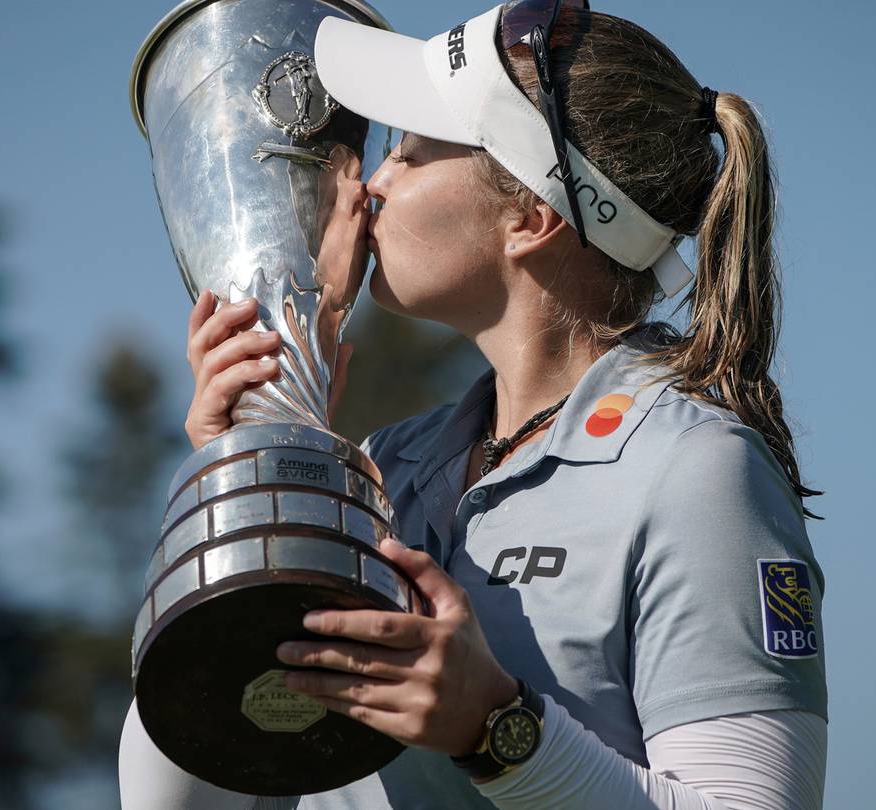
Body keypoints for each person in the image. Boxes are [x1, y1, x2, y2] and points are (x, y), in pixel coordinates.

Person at [119, 0, 828, 807]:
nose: (373, 182)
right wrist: (245, 467)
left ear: (532, 216)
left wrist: (492, 727)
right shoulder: (380, 468)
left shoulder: (695, 469)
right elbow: (191, 787)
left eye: (412, 152)